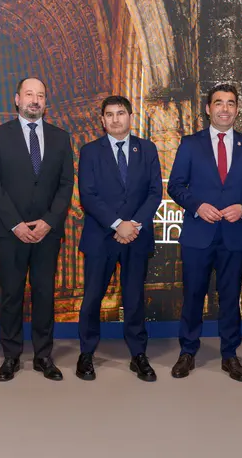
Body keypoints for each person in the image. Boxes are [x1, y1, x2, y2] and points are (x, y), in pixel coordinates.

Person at [167, 83, 242, 382]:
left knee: (231, 296)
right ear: (208, 109)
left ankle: (230, 354)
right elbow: (175, 185)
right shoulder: (189, 144)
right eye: (219, 103)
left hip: (234, 235)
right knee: (193, 295)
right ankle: (187, 351)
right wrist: (197, 206)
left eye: (231, 103)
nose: (225, 108)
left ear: (237, 109)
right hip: (199, 233)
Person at [0, 77, 74, 382]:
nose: (35, 100)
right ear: (16, 99)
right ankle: (10, 356)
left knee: (44, 294)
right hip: (11, 232)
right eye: (29, 94)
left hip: (47, 233)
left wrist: (49, 221)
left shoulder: (61, 138)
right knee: (11, 295)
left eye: (41, 95)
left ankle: (43, 356)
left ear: (46, 102)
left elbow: (65, 185)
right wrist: (16, 224)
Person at [76, 95, 163, 381]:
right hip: (101, 237)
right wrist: (116, 224)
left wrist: (133, 225)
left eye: (121, 113)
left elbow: (154, 192)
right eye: (109, 114)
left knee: (134, 298)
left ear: (130, 116)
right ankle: (86, 354)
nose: (115, 119)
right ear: (102, 120)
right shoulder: (89, 151)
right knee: (91, 298)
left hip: (136, 236)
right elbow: (88, 195)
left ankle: (138, 354)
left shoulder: (147, 149)